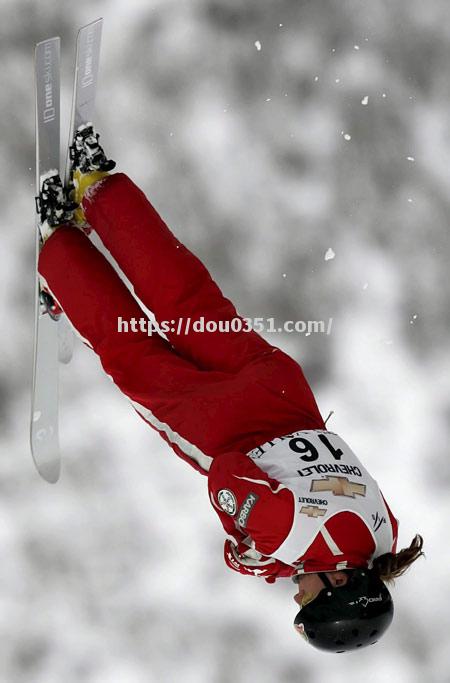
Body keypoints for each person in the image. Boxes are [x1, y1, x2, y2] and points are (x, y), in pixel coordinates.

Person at [37, 126, 425, 653]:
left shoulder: (383, 536)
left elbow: (330, 504)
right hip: (223, 425)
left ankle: (100, 186)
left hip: (282, 392)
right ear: (338, 584)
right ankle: (62, 250)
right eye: (308, 605)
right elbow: (226, 476)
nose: (296, 599)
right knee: (130, 354)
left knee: (188, 298)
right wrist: (252, 553)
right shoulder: (286, 539)